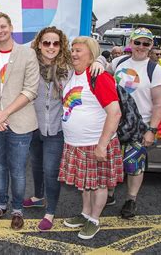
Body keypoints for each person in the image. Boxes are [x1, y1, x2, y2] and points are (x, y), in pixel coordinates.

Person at [25, 27, 105, 232]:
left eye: (56, 43)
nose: (51, 47)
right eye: (46, 43)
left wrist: (100, 61)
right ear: (38, 44)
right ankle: (38, 196)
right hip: (33, 126)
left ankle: (50, 212)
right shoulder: (30, 63)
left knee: (51, 171)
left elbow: (95, 62)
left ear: (61, 46)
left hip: (57, 129)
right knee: (36, 165)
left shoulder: (69, 65)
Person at [0, 12, 39, 231]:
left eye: (3, 26)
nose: (0, 31)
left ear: (11, 27)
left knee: (18, 170)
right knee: (0, 166)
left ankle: (17, 210)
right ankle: (0, 205)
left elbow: (30, 90)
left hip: (20, 122)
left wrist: (5, 113)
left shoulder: (28, 54)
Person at [59, 36, 123, 240]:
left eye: (79, 50)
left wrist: (102, 145)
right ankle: (85, 213)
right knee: (85, 183)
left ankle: (94, 219)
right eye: (73, 49)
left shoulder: (99, 77)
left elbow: (115, 112)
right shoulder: (73, 74)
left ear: (91, 54)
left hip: (96, 143)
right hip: (76, 144)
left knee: (100, 184)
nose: (74, 53)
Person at [107, 28, 161, 219]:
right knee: (111, 161)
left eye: (146, 44)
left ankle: (131, 200)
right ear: (131, 43)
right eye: (138, 42)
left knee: (135, 165)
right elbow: (104, 80)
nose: (141, 47)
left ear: (151, 46)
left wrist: (152, 130)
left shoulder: (155, 70)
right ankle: (109, 194)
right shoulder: (118, 62)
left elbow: (158, 104)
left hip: (140, 125)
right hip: (115, 121)